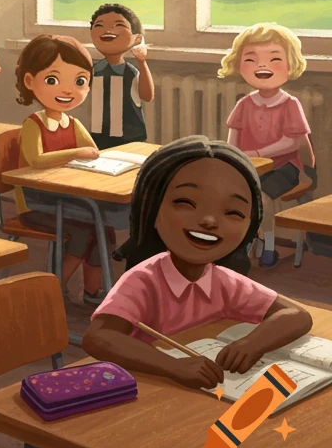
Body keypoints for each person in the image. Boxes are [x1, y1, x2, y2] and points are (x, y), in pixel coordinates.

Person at [83, 136, 312, 389]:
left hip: (205, 388)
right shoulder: (144, 280)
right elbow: (98, 337)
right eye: (185, 203)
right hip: (151, 385)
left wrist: (252, 343)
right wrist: (173, 367)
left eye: (233, 212)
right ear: (152, 210)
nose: (209, 221)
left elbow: (297, 315)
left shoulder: (222, 279)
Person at [13, 34, 115, 304]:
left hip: (66, 198)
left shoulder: (72, 123)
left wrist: (83, 154)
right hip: (38, 202)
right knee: (83, 230)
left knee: (103, 229)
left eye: (79, 82)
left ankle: (92, 290)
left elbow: (92, 151)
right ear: (29, 81)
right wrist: (75, 153)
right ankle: (53, 285)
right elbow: (37, 160)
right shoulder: (33, 124)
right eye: (52, 80)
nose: (68, 91)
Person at [218, 23, 317, 269]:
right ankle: (242, 241)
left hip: (285, 168)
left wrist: (256, 153)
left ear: (290, 65)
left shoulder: (290, 104)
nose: (262, 66)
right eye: (251, 59)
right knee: (230, 193)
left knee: (260, 195)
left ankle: (269, 245)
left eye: (274, 59)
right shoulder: (244, 104)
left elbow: (292, 142)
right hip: (251, 167)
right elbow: (233, 140)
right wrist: (233, 160)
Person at [87, 3, 153, 150]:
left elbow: (147, 96)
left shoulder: (131, 72)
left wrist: (142, 62)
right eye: (99, 26)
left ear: (137, 38)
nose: (107, 31)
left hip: (130, 137)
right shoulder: (93, 71)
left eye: (119, 25)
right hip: (98, 137)